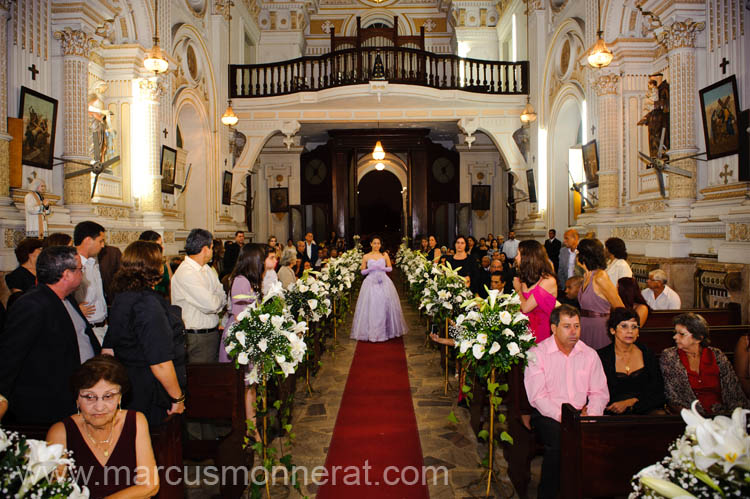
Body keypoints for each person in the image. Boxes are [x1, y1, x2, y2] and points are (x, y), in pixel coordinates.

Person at [0, 246, 101, 424]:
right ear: (67, 274)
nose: (82, 274)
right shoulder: (32, 304)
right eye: (80, 269)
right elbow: (10, 356)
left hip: (77, 394)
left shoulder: (67, 299)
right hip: (46, 404)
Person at [523, 305, 609, 499]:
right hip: (549, 414)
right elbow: (538, 397)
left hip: (583, 414)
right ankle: (548, 494)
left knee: (605, 440)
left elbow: (599, 392)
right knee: (559, 442)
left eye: (577, 326)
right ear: (553, 328)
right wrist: (568, 418)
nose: (573, 332)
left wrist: (591, 414)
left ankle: (590, 491)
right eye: (567, 326)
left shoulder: (589, 354)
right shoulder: (537, 353)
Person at [46, 355, 159, 498]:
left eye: (108, 396)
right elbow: (57, 493)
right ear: (77, 399)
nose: (99, 407)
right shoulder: (60, 432)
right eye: (89, 397)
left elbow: (149, 486)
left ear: (120, 398)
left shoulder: (136, 421)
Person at [103, 241, 186, 427]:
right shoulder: (147, 304)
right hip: (151, 389)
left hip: (128, 386)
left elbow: (108, 350)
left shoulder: (122, 298)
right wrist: (177, 398)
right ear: (154, 268)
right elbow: (160, 362)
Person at [219, 244, 277, 437]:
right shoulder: (240, 281)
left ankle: (252, 426)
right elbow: (239, 315)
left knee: (250, 386)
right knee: (245, 386)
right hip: (240, 337)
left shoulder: (250, 280)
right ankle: (249, 429)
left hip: (250, 334)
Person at [660, 313, 749, 416]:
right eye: (675, 332)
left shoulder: (717, 355)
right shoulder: (669, 356)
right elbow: (673, 396)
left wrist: (731, 416)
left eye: (681, 334)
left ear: (698, 338)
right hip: (689, 415)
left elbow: (733, 390)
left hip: (721, 413)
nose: (675, 337)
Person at [172, 229, 226, 365]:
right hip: (197, 337)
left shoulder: (206, 269)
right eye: (212, 248)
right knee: (202, 381)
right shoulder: (186, 273)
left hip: (211, 334)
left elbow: (222, 294)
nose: (212, 251)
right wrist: (216, 299)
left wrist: (216, 298)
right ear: (205, 249)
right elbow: (212, 305)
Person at [597, 308, 665, 415]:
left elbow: (658, 390)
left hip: (644, 408)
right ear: (612, 330)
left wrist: (631, 402)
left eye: (634, 327)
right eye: (624, 326)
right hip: (612, 412)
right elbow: (597, 393)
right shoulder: (601, 357)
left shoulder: (647, 353)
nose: (630, 331)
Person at [350, 236, 407, 342]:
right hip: (370, 282)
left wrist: (382, 268)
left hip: (383, 282)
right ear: (371, 244)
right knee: (372, 307)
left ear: (380, 245)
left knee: (383, 306)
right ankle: (372, 333)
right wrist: (370, 269)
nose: (377, 245)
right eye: (375, 243)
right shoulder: (366, 256)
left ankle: (383, 332)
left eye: (378, 243)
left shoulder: (384, 255)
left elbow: (390, 268)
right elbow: (362, 271)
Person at [576, 239, 625, 350]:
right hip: (584, 326)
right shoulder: (586, 276)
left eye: (577, 252)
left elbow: (619, 306)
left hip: (599, 328)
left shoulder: (600, 276)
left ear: (584, 255)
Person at [513, 240, 558, 342]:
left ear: (528, 257)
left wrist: (518, 290)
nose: (516, 257)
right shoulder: (527, 278)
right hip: (526, 331)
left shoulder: (548, 280)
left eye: (518, 254)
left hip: (542, 332)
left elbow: (525, 307)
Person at [73, 221, 108, 344]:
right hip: (86, 329)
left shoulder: (93, 263)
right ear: (88, 240)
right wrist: (75, 309)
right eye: (100, 241)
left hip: (102, 327)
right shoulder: (71, 265)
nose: (103, 245)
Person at [5, 237, 43, 308]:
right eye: (39, 249)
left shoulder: (43, 271)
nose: (42, 251)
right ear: (30, 253)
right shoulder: (16, 275)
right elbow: (19, 299)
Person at [139, 230, 172, 297]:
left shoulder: (164, 263)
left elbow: (171, 284)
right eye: (159, 245)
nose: (162, 247)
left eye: (161, 244)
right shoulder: (140, 265)